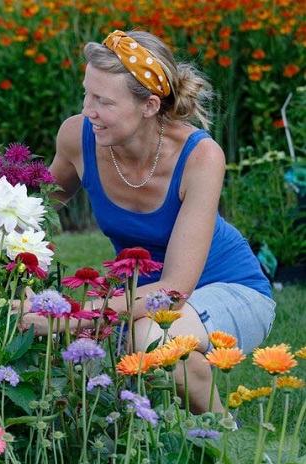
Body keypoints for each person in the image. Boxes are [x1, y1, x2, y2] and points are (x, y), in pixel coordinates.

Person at [18, 29, 276, 415]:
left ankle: (225, 447)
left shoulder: (200, 157)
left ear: (150, 105)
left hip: (228, 289)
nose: (88, 109)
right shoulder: (77, 137)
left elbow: (172, 290)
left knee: (149, 340)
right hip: (140, 295)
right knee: (87, 361)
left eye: (103, 101)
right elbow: (32, 212)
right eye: (87, 93)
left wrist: (75, 317)